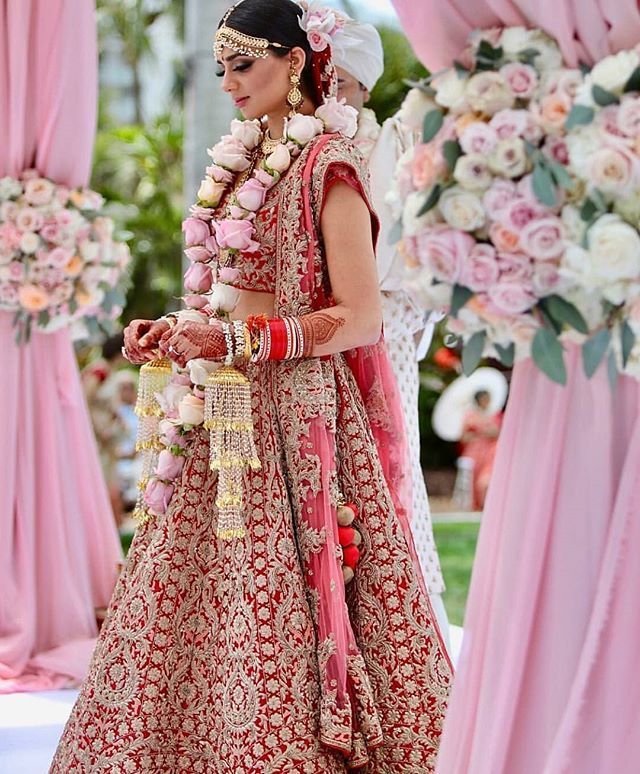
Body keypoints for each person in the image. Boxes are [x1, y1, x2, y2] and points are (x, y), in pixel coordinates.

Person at [50, 1, 451, 771]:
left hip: (295, 414)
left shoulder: (327, 162)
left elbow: (361, 318)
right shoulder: (234, 164)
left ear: (296, 62)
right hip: (219, 401)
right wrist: (176, 328)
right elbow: (229, 288)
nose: (230, 82)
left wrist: (238, 338)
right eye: (222, 68)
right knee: (196, 581)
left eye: (245, 63)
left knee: (273, 583)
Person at [332, 18, 449, 643]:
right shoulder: (294, 149)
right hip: (314, 337)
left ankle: (397, 622)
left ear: (366, 87)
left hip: (377, 336)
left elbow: (396, 270)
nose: (333, 95)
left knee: (385, 470)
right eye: (323, 81)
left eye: (344, 83)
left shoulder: (384, 151)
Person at [459, 390, 501, 511]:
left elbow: (499, 433)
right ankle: (476, 504)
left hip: (490, 451)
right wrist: (476, 434)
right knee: (474, 475)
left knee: (486, 477)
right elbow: (463, 437)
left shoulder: (494, 415)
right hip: (475, 451)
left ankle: (488, 502)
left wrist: (486, 431)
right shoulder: (470, 416)